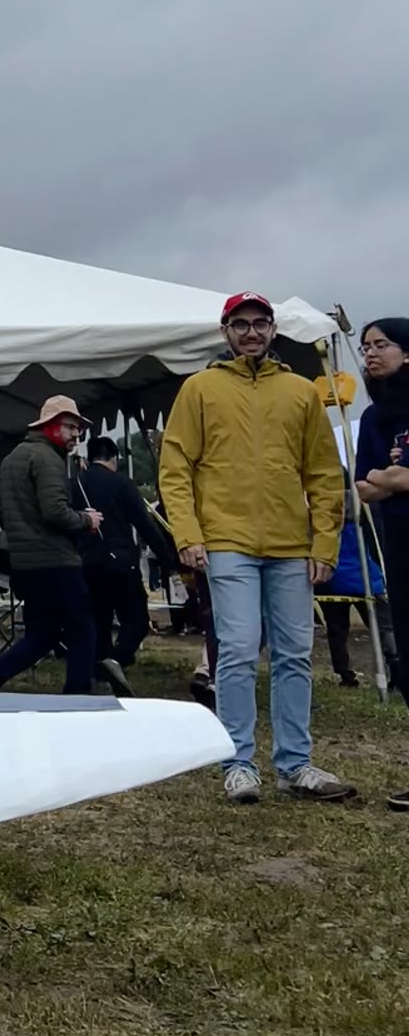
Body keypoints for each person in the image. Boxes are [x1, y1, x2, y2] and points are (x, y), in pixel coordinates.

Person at [158, 293, 354, 804]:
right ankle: (238, 762)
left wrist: (325, 543)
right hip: (226, 541)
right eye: (240, 324)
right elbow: (175, 468)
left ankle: (295, 763)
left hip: (291, 543)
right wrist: (189, 536)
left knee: (294, 654)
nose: (250, 332)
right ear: (225, 332)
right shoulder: (199, 388)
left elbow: (324, 473)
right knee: (239, 649)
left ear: (272, 330)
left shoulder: (300, 392)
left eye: (259, 324)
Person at [0, 397, 104, 696]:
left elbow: (2, 512)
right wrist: (86, 520)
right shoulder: (48, 459)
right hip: (57, 561)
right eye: (70, 427)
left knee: (43, 633)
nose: (76, 434)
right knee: (82, 630)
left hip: (26, 564)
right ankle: (78, 697)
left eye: (78, 429)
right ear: (50, 426)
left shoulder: (13, 457)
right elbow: (55, 511)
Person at [353, 315, 409, 808]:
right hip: (399, 545)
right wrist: (391, 478)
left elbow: (386, 480)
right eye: (366, 345)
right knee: (408, 659)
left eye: (382, 344)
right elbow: (364, 486)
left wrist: (392, 478)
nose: (370, 353)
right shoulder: (373, 419)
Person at [78, 436, 174, 680]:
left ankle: (101, 672)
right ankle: (117, 660)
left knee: (100, 621)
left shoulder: (75, 483)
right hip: (121, 562)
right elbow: (145, 525)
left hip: (87, 562)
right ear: (114, 458)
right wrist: (167, 558)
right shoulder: (121, 483)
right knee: (137, 620)